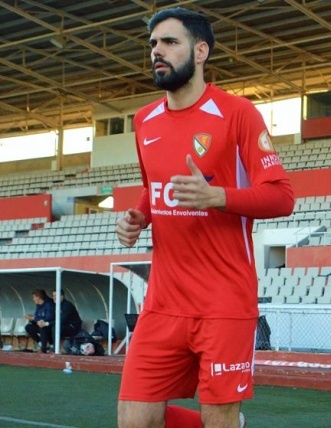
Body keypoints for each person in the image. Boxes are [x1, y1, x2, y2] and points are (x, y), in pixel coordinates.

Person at [114, 8, 294, 428]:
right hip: (162, 303)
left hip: (223, 302)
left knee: (218, 420)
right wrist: (139, 215)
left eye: (169, 42)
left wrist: (217, 196)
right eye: (153, 44)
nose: (157, 51)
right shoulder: (144, 121)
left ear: (200, 51)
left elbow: (282, 196)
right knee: (134, 421)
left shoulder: (237, 113)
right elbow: (154, 186)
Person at [24, 289, 54, 353]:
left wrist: (35, 319)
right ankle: (40, 342)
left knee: (42, 327)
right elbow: (36, 316)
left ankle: (45, 348)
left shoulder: (48, 305)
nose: (33, 299)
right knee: (28, 327)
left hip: (48, 327)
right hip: (40, 325)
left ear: (39, 297)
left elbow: (48, 318)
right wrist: (31, 319)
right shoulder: (38, 306)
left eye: (34, 297)